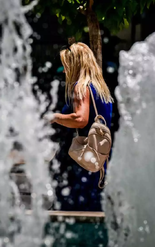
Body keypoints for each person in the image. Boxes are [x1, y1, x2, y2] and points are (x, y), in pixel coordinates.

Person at [51, 42, 113, 211]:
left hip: (80, 160)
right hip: (99, 158)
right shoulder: (102, 90)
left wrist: (55, 117)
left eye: (66, 65)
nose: (64, 71)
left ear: (76, 64)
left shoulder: (80, 87)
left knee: (73, 211)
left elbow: (80, 119)